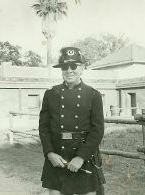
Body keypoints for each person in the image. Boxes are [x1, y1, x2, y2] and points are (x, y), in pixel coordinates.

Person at [39, 47, 105, 195]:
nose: (69, 70)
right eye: (64, 67)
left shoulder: (93, 95)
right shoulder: (50, 94)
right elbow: (44, 129)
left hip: (84, 158)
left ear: (82, 68)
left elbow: (97, 130)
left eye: (74, 66)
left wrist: (81, 157)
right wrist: (50, 154)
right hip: (57, 157)